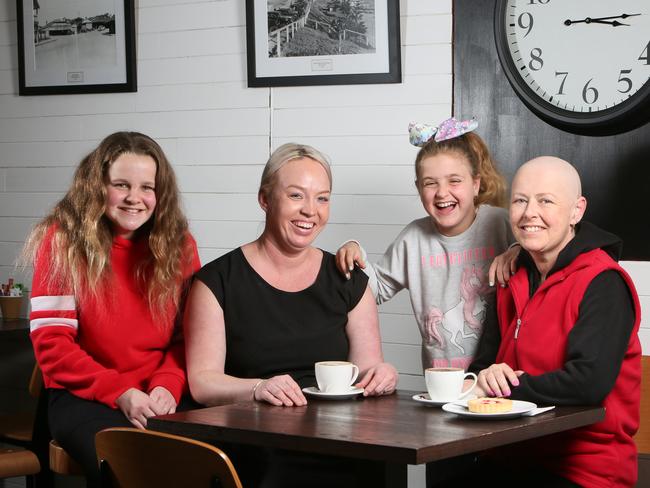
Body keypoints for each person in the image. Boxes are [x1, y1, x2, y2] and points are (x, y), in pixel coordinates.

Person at [184, 143, 398, 487]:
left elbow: (368, 369)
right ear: (265, 199)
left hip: (337, 439)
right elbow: (202, 381)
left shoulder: (349, 279)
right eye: (296, 195)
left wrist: (382, 375)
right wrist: (258, 388)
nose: (310, 211)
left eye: (322, 198)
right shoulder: (216, 281)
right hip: (254, 442)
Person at [23, 132, 201, 487]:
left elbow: (190, 337)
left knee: (214, 460)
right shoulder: (62, 240)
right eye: (121, 184)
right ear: (97, 187)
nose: (135, 198)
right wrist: (121, 392)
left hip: (158, 394)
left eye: (147, 187)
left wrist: (168, 384)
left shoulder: (179, 245)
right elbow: (52, 346)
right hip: (85, 396)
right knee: (132, 466)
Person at [463, 156, 641, 487]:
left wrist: (504, 386)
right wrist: (484, 374)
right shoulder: (509, 275)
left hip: (584, 469)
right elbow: (480, 365)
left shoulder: (603, 283)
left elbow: (588, 383)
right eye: (520, 200)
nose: (530, 212)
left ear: (577, 210)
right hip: (507, 456)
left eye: (546, 200)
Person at [336, 117, 517, 372]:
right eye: (430, 183)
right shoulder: (414, 239)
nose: (442, 193)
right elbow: (373, 290)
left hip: (497, 379)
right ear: (419, 188)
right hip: (441, 383)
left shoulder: (500, 224)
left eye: (454, 181)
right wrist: (353, 250)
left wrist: (516, 251)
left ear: (476, 184)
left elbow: (538, 262)